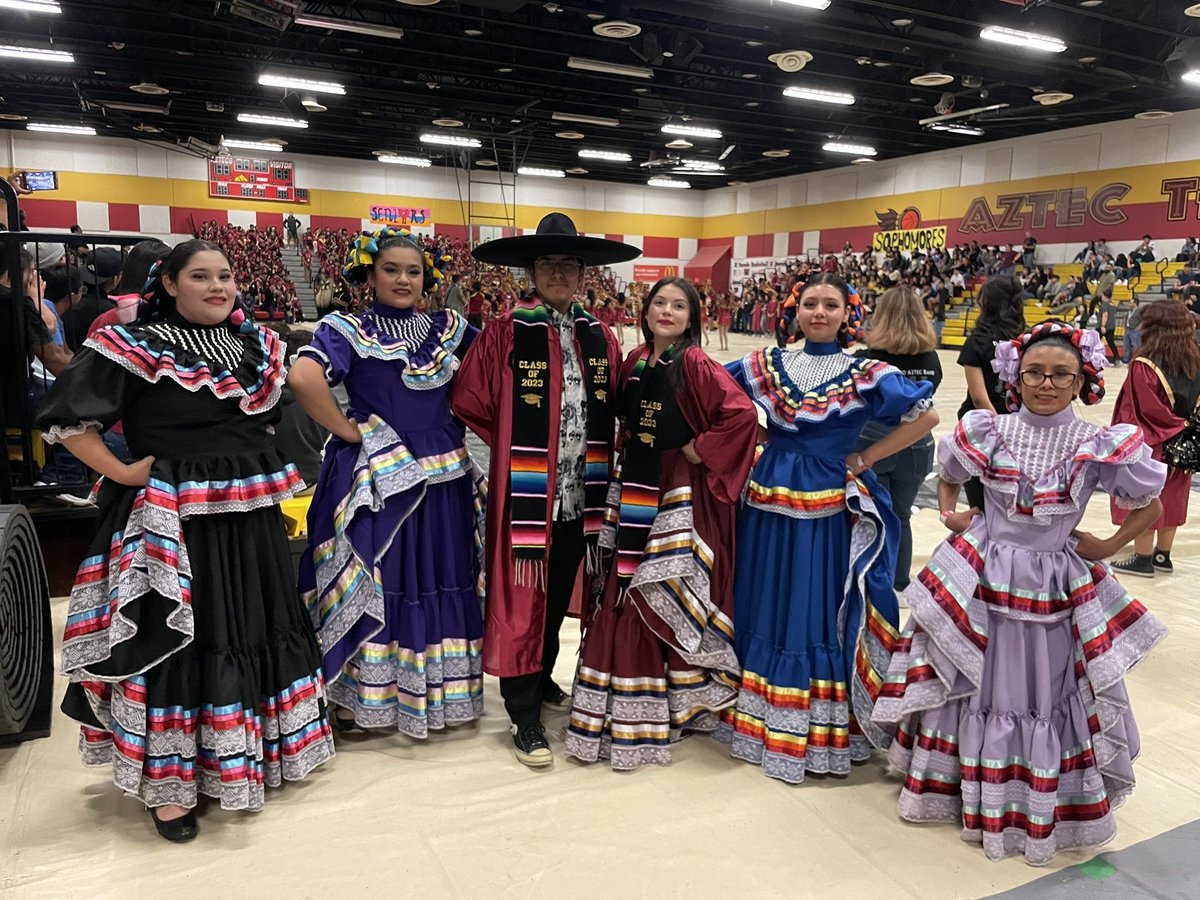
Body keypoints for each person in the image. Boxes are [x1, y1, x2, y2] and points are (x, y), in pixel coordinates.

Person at [35, 239, 333, 843]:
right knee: (177, 637)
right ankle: (172, 787)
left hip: (248, 517)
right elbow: (66, 418)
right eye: (201, 277)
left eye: (224, 276)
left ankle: (241, 756)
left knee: (247, 624)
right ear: (169, 284)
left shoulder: (258, 345)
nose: (218, 286)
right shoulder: (133, 344)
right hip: (174, 517)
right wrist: (119, 472)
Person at [872, 322, 1167, 865]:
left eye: (1061, 375)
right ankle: (967, 790)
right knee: (973, 681)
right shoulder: (988, 428)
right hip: (981, 575)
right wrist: (953, 513)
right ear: (1016, 376)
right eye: (1035, 372)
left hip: (1055, 584)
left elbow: (1151, 503)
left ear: (1082, 381)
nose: (1047, 384)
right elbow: (950, 473)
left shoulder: (1096, 442)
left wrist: (1107, 543)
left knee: (1039, 689)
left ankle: (1026, 799)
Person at [716, 273, 938, 784]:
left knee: (814, 598)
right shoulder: (767, 363)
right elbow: (711, 389)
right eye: (811, 303)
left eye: (830, 305)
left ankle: (809, 720)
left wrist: (866, 457)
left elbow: (924, 419)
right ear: (796, 310)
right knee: (765, 589)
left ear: (847, 314)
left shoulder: (865, 370)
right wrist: (755, 432)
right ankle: (756, 707)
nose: (819, 312)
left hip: (829, 495)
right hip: (769, 489)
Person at [451, 213, 637, 767]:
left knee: (555, 599)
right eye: (547, 263)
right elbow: (472, 400)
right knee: (520, 601)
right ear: (531, 271)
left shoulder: (597, 334)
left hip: (584, 496)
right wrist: (518, 442)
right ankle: (523, 713)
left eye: (569, 264)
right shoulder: (508, 330)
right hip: (529, 493)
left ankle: (544, 675)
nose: (558, 272)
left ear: (584, 273)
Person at [290, 226, 484, 736]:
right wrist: (347, 430)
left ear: (428, 278)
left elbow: (496, 373)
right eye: (391, 270)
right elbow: (305, 377)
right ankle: (363, 700)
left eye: (413, 271)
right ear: (370, 274)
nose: (403, 279)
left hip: (444, 479)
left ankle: (431, 693)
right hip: (382, 480)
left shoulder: (451, 326)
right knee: (383, 579)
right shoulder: (346, 327)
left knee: (440, 574)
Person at [564, 277, 757, 770]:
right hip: (634, 485)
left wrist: (700, 448)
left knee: (658, 585)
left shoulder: (693, 362)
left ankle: (675, 700)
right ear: (644, 310)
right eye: (659, 304)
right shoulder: (634, 360)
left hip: (676, 488)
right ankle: (627, 699)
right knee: (625, 585)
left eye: (678, 306)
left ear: (692, 317)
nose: (667, 311)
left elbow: (740, 415)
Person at [854, 286, 943, 600]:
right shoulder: (931, 359)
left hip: (874, 445)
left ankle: (870, 579)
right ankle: (899, 582)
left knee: (872, 517)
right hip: (918, 446)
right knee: (902, 516)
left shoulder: (866, 359)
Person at [1108, 300, 1200, 577]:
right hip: (1185, 442)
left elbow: (1142, 410)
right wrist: (1186, 427)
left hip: (1153, 443)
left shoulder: (1144, 364)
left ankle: (1143, 557)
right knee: (1173, 496)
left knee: (1145, 497)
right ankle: (1163, 556)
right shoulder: (1196, 358)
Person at [956, 275, 1027, 510]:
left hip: (983, 425)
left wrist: (996, 428)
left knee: (979, 500)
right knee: (1011, 495)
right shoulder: (1023, 339)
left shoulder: (977, 340)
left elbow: (978, 397)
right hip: (1017, 422)